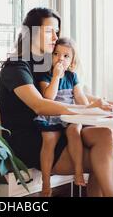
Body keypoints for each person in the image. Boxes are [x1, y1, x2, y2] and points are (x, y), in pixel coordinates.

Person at [0, 7, 113, 197]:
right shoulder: (16, 67)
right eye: (49, 31)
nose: (55, 37)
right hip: (32, 139)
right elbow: (40, 105)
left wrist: (112, 103)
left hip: (56, 129)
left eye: (56, 32)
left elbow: (69, 93)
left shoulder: (45, 63)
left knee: (104, 134)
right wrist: (86, 109)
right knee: (102, 160)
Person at [34, 37, 89, 196]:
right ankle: (46, 182)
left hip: (70, 116)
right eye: (56, 54)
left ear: (72, 61)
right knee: (49, 140)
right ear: (50, 56)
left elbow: (81, 98)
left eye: (66, 56)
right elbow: (48, 97)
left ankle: (78, 171)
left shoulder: (72, 77)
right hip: (52, 115)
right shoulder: (45, 76)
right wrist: (56, 77)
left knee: (74, 131)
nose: (60, 59)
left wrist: (89, 108)